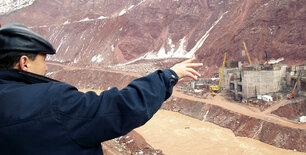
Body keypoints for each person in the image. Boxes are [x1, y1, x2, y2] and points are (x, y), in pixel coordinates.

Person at [0, 23, 203, 155]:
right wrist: (169, 76)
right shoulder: (53, 100)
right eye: (43, 60)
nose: (45, 67)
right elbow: (118, 107)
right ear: (24, 62)